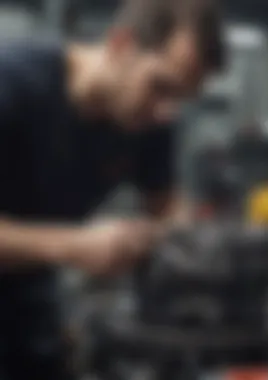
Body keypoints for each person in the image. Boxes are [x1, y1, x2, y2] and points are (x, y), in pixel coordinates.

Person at [0, 0, 224, 378]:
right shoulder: (12, 82)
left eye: (180, 99)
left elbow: (166, 204)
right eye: (161, 87)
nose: (165, 113)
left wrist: (179, 239)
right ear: (121, 44)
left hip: (30, 295)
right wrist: (73, 245)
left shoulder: (150, 121)